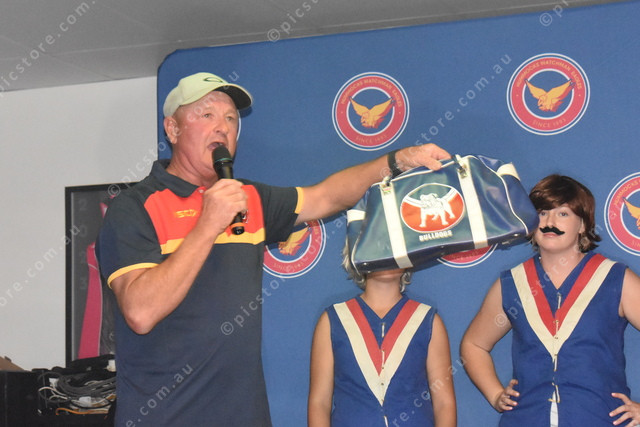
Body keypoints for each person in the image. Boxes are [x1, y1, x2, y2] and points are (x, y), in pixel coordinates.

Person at [96, 71, 451, 426]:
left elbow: (327, 196)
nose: (222, 128)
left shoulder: (248, 197)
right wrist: (207, 224)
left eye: (231, 119)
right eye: (207, 115)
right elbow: (140, 312)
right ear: (172, 129)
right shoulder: (135, 207)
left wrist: (397, 161)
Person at [460, 174, 640, 426]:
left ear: (583, 224)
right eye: (542, 213)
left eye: (563, 214)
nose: (550, 222)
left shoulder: (615, 279)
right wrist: (495, 394)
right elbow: (474, 345)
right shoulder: (513, 283)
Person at [307, 242, 457, 426]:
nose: (386, 255)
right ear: (357, 253)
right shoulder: (333, 321)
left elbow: (444, 403)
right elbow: (319, 402)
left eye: (394, 247)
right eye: (378, 245)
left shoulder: (428, 321)